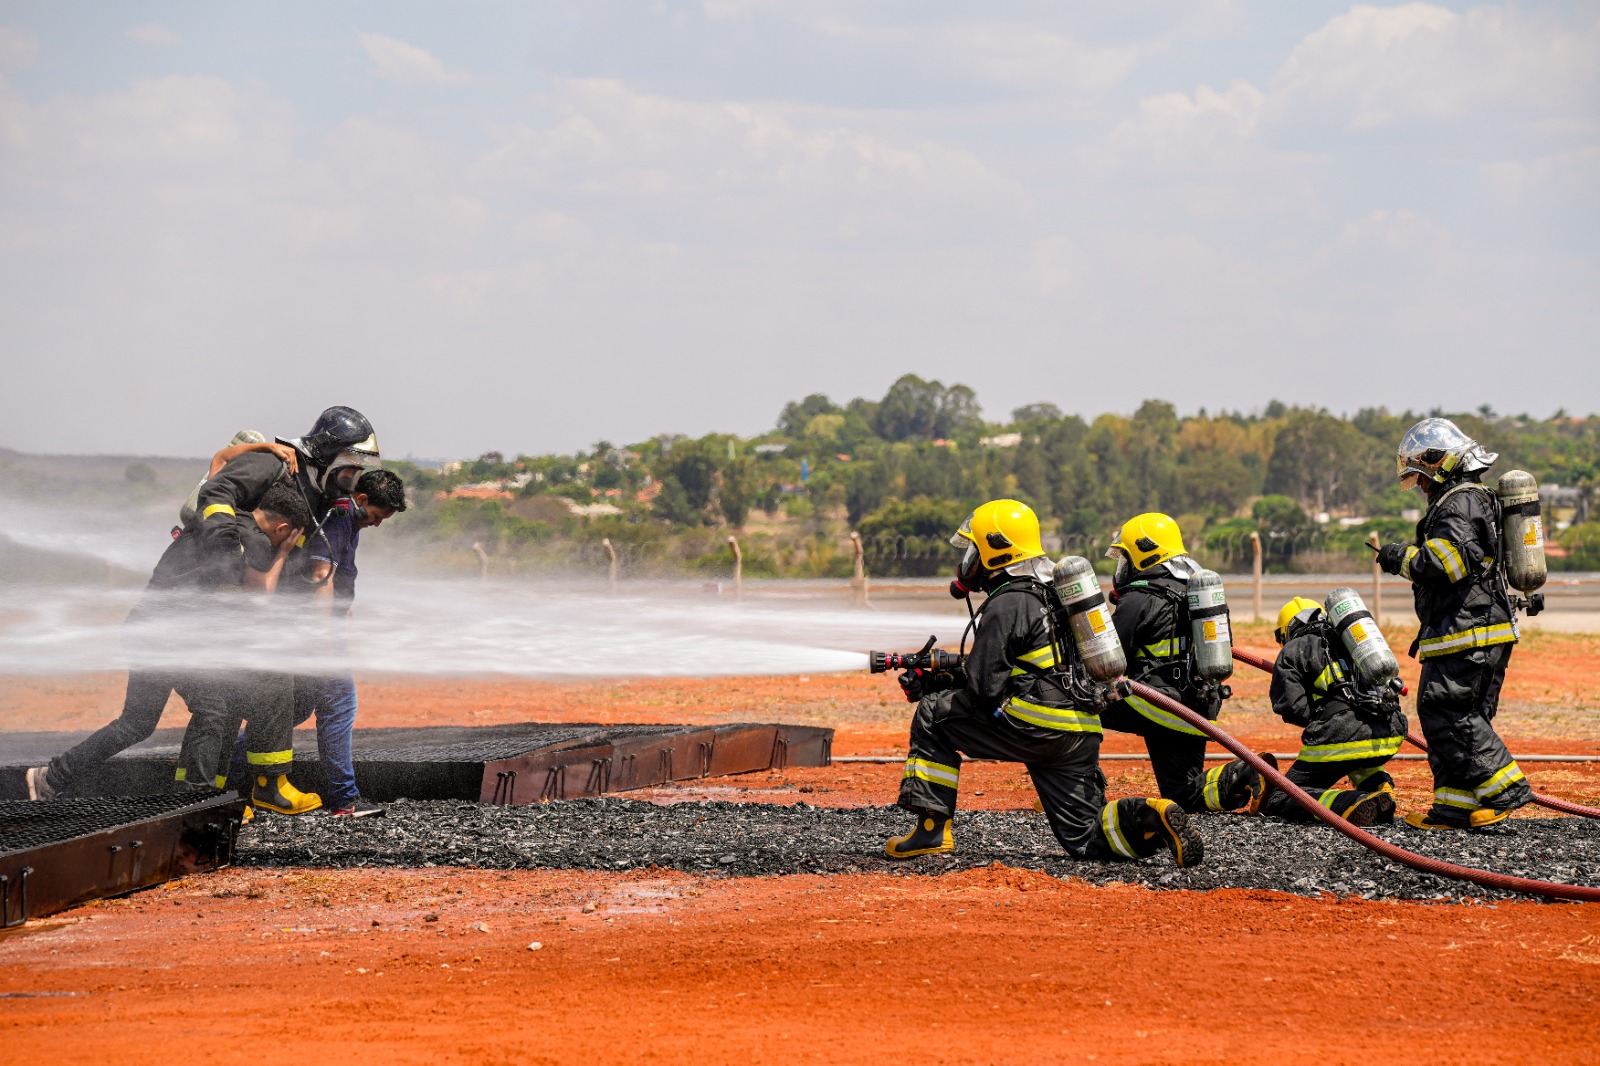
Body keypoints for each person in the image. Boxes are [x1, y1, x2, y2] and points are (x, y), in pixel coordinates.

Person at [886, 500, 1204, 868]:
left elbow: (984, 689)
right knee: (1086, 838)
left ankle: (929, 832)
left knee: (933, 715)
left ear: (994, 550)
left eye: (974, 548)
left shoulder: (1006, 603)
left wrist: (935, 689)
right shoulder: (1057, 594)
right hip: (1079, 733)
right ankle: (1151, 816)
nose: (969, 559)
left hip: (1036, 728)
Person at [26, 485, 311, 800]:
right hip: (167, 638)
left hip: (149, 632)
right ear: (282, 528)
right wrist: (282, 554)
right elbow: (258, 598)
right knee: (213, 708)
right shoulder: (239, 542)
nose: (274, 549)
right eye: (285, 539)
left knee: (136, 724)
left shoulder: (222, 526)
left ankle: (51, 777)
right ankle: (199, 800)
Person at [176, 406, 381, 815]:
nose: (349, 480)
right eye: (347, 469)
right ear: (328, 454)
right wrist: (227, 544)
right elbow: (216, 493)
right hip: (217, 600)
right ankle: (205, 799)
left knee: (275, 689)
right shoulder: (275, 465)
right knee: (224, 700)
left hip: (255, 608)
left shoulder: (313, 490)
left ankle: (253, 788)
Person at [1376, 417, 1533, 830]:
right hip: (1466, 628)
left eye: (1423, 478)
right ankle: (1453, 807)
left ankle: (1504, 789)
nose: (1422, 487)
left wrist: (1399, 557)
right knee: (1448, 712)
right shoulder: (1466, 500)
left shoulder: (1461, 501)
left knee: (1447, 710)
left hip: (1470, 629)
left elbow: (1447, 562)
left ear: (1441, 463)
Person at [227, 468, 407, 817]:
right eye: (376, 516)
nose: (377, 524)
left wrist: (342, 609)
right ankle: (344, 799)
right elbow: (320, 576)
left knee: (292, 710)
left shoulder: (346, 519)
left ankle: (226, 775)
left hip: (309, 627)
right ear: (362, 499)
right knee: (340, 705)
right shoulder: (340, 519)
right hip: (314, 630)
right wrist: (325, 635)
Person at [1098, 513, 1263, 815]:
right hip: (1197, 706)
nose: (1122, 567)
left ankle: (1079, 789)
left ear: (1144, 555)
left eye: (1126, 558)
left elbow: (1104, 660)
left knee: (1074, 704)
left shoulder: (1138, 598)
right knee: (1181, 794)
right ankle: (1244, 775)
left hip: (1157, 704)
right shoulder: (1199, 593)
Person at [1261, 597, 1405, 825]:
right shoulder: (1351, 641)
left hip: (1341, 737)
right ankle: (1378, 785)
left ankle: (1351, 802)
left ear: (1286, 631)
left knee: (1280, 799)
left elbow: (1291, 707)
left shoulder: (1295, 648)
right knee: (1355, 759)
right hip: (1391, 732)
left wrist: (1324, 719)